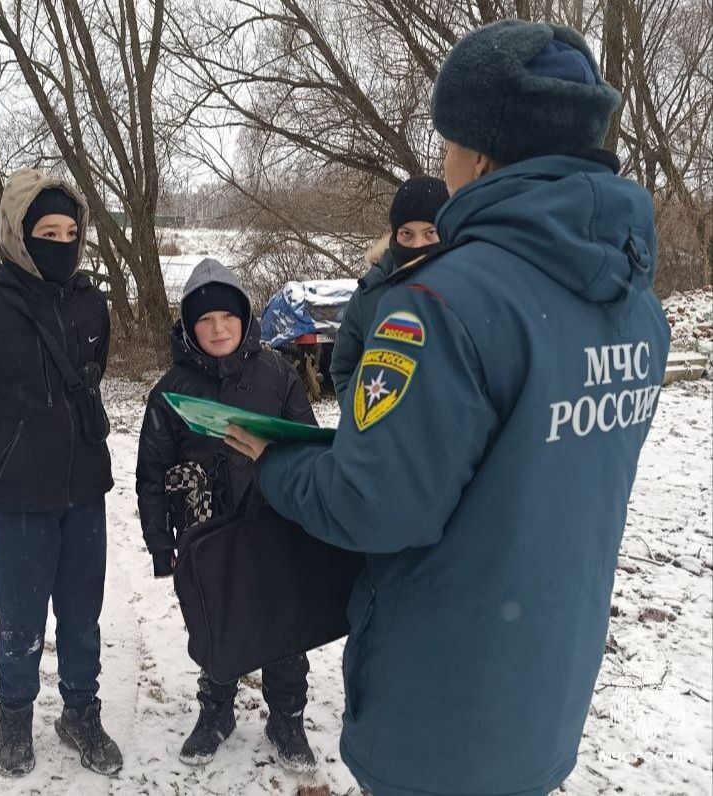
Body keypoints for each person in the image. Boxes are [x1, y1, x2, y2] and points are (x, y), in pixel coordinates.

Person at [226, 20, 670, 796]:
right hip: (547, 687)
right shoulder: (635, 307)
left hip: (440, 705)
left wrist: (279, 462)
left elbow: (374, 507)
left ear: (482, 153)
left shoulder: (433, 305)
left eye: (446, 143)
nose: (443, 164)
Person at [0, 169, 122, 778]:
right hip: (20, 498)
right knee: (20, 617)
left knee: (82, 612)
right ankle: (14, 717)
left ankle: (81, 712)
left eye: (72, 231)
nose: (62, 242)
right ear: (20, 236)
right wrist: (8, 447)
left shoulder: (91, 303)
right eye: (48, 231)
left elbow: (93, 368)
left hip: (84, 491)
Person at [136, 258, 319, 772]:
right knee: (216, 623)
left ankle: (287, 717)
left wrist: (309, 512)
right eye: (205, 320)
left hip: (272, 522)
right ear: (190, 328)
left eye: (227, 318)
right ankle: (216, 711)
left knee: (283, 624)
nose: (218, 329)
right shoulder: (172, 390)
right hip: (207, 531)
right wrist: (159, 543)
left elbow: (305, 445)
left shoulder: (277, 374)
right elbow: (151, 471)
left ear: (244, 319)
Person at [331, 176, 449, 404]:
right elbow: (343, 369)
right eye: (407, 234)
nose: (418, 245)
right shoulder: (370, 292)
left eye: (430, 233)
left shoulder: (469, 288)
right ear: (395, 235)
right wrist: (363, 420)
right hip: (384, 437)